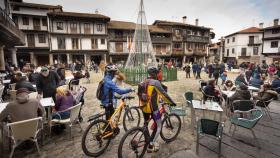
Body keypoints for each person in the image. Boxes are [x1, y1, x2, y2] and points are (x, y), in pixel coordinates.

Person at [140, 66, 176, 152]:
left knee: (145, 125)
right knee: (159, 126)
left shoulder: (144, 81)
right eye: (157, 73)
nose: (158, 75)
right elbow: (164, 94)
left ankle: (147, 140)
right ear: (155, 74)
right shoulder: (155, 82)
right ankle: (151, 144)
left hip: (144, 107)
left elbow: (150, 93)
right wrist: (172, 102)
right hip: (153, 108)